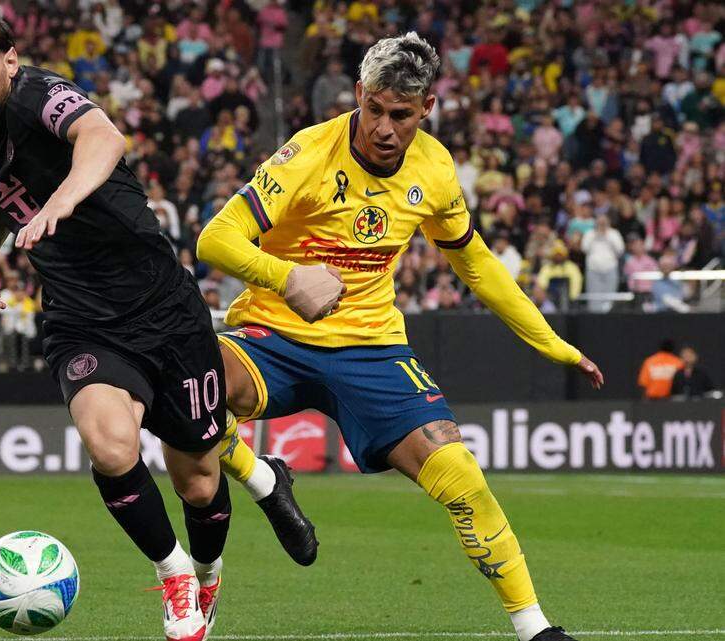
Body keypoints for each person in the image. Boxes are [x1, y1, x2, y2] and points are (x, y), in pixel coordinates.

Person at [196, 33, 604, 641]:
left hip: (373, 348)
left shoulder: (435, 169)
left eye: (402, 115)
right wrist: (286, 277)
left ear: (427, 109)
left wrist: (553, 343)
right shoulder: (308, 152)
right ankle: (263, 481)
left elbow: (477, 265)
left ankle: (535, 630)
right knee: (186, 388)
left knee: (461, 475)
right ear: (359, 95)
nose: (384, 128)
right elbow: (215, 239)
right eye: (375, 110)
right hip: (272, 335)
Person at [0, 3, 308, 638]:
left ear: (9, 61)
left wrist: (62, 203)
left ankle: (209, 572)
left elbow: (103, 138)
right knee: (110, 443)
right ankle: (174, 574)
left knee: (200, 481)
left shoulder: (39, 94)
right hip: (80, 318)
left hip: (166, 312)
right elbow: (6, 194)